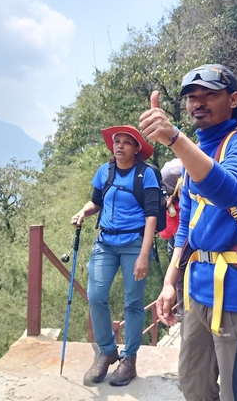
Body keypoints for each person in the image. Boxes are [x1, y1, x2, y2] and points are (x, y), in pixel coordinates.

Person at [139, 64, 237, 401]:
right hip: (197, 292)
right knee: (194, 385)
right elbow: (187, 225)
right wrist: (170, 283)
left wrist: (174, 139)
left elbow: (228, 191)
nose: (198, 101)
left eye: (210, 94)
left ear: (234, 99)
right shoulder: (197, 152)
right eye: (192, 96)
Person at [71, 125, 159, 387]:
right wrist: (82, 213)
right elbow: (96, 201)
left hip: (135, 243)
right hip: (106, 243)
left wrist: (145, 254)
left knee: (133, 302)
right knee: (96, 296)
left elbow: (152, 215)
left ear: (136, 149)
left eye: (126, 142)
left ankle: (129, 358)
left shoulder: (146, 175)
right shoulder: (105, 171)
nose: (119, 146)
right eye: (116, 141)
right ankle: (107, 351)